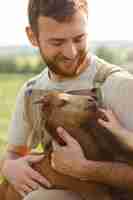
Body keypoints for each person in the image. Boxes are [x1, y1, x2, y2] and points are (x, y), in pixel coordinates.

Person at [1, 0, 133, 199]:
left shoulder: (120, 86)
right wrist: (10, 167)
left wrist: (85, 169)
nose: (71, 53)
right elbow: (14, 154)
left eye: (79, 39)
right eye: (57, 42)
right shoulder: (31, 91)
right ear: (32, 36)